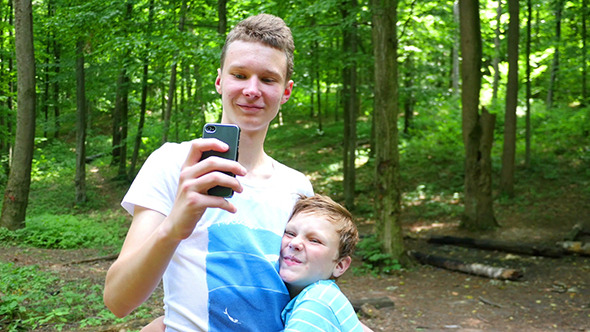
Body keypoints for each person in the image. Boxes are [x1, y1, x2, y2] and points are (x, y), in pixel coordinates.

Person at [103, 14, 314, 331]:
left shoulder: (298, 188)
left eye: (268, 79)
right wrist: (175, 225)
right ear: (219, 81)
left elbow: (306, 299)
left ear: (286, 91)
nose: (252, 90)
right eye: (239, 75)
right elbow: (118, 300)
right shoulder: (173, 163)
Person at [279, 194, 363, 331]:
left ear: (339, 265)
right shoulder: (321, 296)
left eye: (314, 240)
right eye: (290, 233)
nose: (294, 243)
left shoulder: (316, 302)